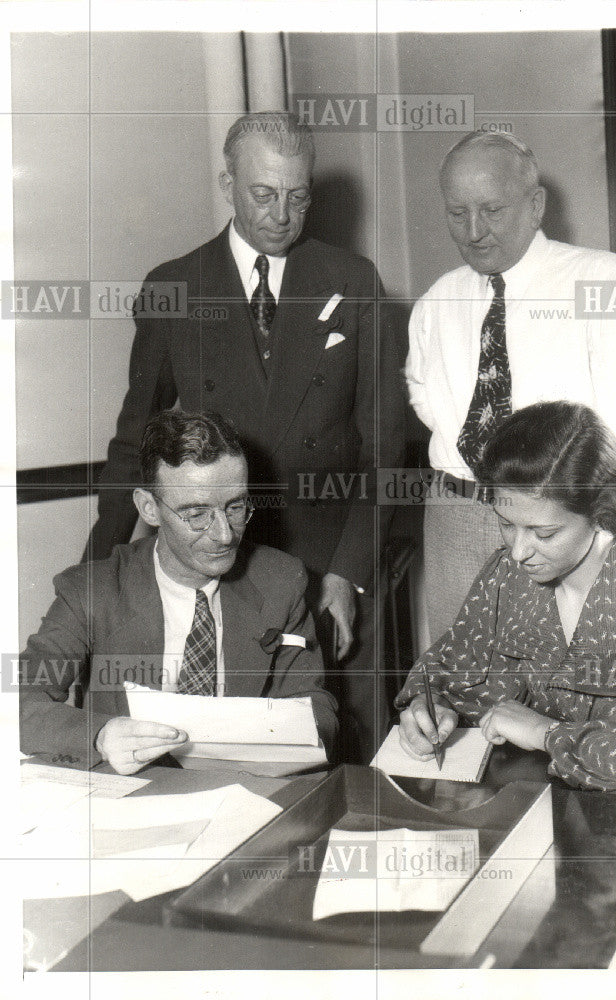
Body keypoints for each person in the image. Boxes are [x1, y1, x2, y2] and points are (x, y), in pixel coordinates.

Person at [85, 112, 404, 761]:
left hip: (331, 562)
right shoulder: (173, 287)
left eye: (299, 195)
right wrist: (99, 569)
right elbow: (132, 442)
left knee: (340, 753)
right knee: (228, 755)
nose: (283, 214)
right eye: (264, 194)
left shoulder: (354, 282)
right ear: (228, 183)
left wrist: (348, 575)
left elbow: (385, 449)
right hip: (220, 566)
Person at [395, 400, 616, 958]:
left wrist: (545, 731)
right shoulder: (506, 575)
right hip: (524, 814)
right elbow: (446, 670)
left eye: (543, 532)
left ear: (600, 511)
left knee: (541, 946)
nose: (518, 550)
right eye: (506, 524)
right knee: (421, 917)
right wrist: (429, 709)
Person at [405, 129, 616, 643]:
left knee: (562, 702)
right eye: (457, 214)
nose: (475, 231)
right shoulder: (437, 302)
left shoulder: (600, 280)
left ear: (536, 204)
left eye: (492, 210)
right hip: (456, 521)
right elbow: (426, 402)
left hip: (564, 525)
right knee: (458, 691)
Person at [19, 410, 337, 775]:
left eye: (235, 507)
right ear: (149, 508)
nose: (224, 535)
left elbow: (314, 704)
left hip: (243, 790)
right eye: (196, 514)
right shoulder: (92, 592)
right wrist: (100, 735)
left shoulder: (281, 581)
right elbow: (20, 701)